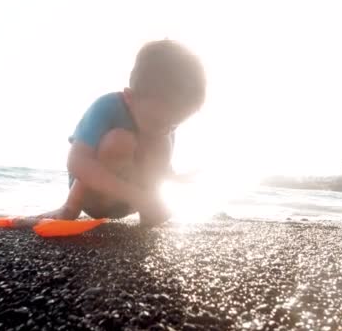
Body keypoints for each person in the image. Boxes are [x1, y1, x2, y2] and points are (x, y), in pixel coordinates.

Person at [17, 40, 206, 228]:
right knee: (120, 140)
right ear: (129, 98)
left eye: (173, 125)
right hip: (94, 199)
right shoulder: (107, 107)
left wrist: (173, 177)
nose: (164, 129)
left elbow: (158, 163)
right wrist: (135, 194)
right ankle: (69, 209)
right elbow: (77, 162)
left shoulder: (163, 127)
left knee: (161, 141)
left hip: (130, 203)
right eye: (157, 121)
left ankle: (149, 213)